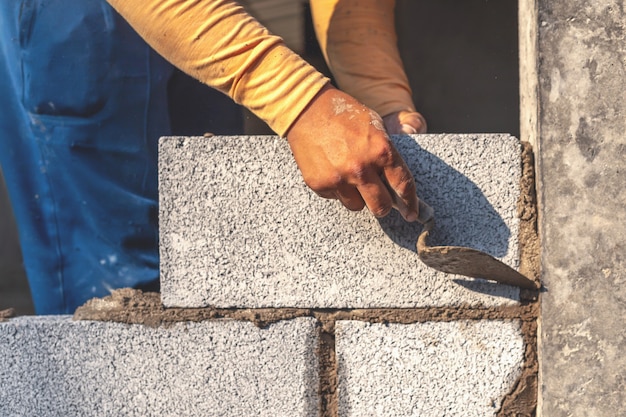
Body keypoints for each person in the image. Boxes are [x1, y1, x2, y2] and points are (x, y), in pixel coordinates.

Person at [0, 0, 426, 314]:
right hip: (84, 22)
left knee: (206, 278)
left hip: (209, 20)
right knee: (120, 304)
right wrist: (301, 103)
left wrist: (381, 99)